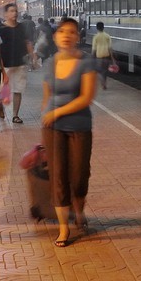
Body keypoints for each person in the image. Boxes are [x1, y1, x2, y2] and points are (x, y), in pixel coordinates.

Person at [41, 17, 99, 247]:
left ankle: (79, 211)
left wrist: (57, 112)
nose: (66, 35)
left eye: (72, 32)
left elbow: (87, 97)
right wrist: (47, 117)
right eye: (62, 31)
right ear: (55, 37)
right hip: (53, 129)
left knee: (79, 176)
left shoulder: (86, 62)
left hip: (79, 126)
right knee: (58, 177)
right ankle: (64, 228)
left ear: (78, 37)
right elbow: (47, 96)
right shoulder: (49, 63)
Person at [0, 3, 31, 123]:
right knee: (3, 90)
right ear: (6, 14)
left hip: (20, 63)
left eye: (16, 11)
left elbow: (27, 42)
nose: (14, 13)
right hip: (5, 64)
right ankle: (0, 106)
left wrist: (32, 56)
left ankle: (15, 115)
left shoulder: (21, 27)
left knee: (18, 90)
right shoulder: (0, 29)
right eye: (11, 11)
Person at [91, 21, 114, 89]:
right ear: (103, 27)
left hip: (99, 57)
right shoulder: (107, 36)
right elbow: (110, 48)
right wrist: (112, 58)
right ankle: (104, 83)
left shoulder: (96, 37)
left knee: (99, 71)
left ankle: (103, 83)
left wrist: (92, 58)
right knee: (105, 71)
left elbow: (94, 49)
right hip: (106, 57)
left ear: (97, 28)